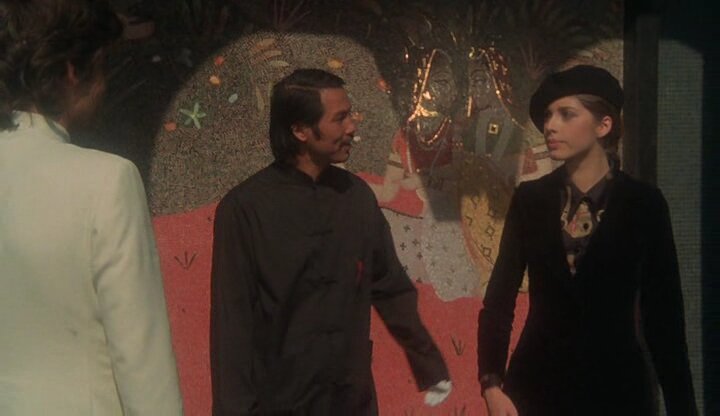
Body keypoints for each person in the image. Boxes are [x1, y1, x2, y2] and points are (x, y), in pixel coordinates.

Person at [210, 68, 451, 415]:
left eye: (350, 115)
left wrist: (428, 362)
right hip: (280, 403)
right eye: (340, 118)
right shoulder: (245, 209)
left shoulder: (356, 198)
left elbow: (390, 287)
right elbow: (232, 325)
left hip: (350, 400)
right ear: (300, 130)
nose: (352, 127)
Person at [476, 65, 697, 416]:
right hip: (534, 391)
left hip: (620, 394)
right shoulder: (530, 200)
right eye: (548, 116)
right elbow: (499, 301)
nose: (550, 126)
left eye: (566, 114)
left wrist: (682, 407)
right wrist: (491, 384)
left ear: (603, 125)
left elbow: (664, 318)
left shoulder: (644, 204)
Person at [0, 1, 183, 414]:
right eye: (102, 68)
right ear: (72, 72)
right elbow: (141, 359)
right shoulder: (107, 180)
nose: (104, 85)